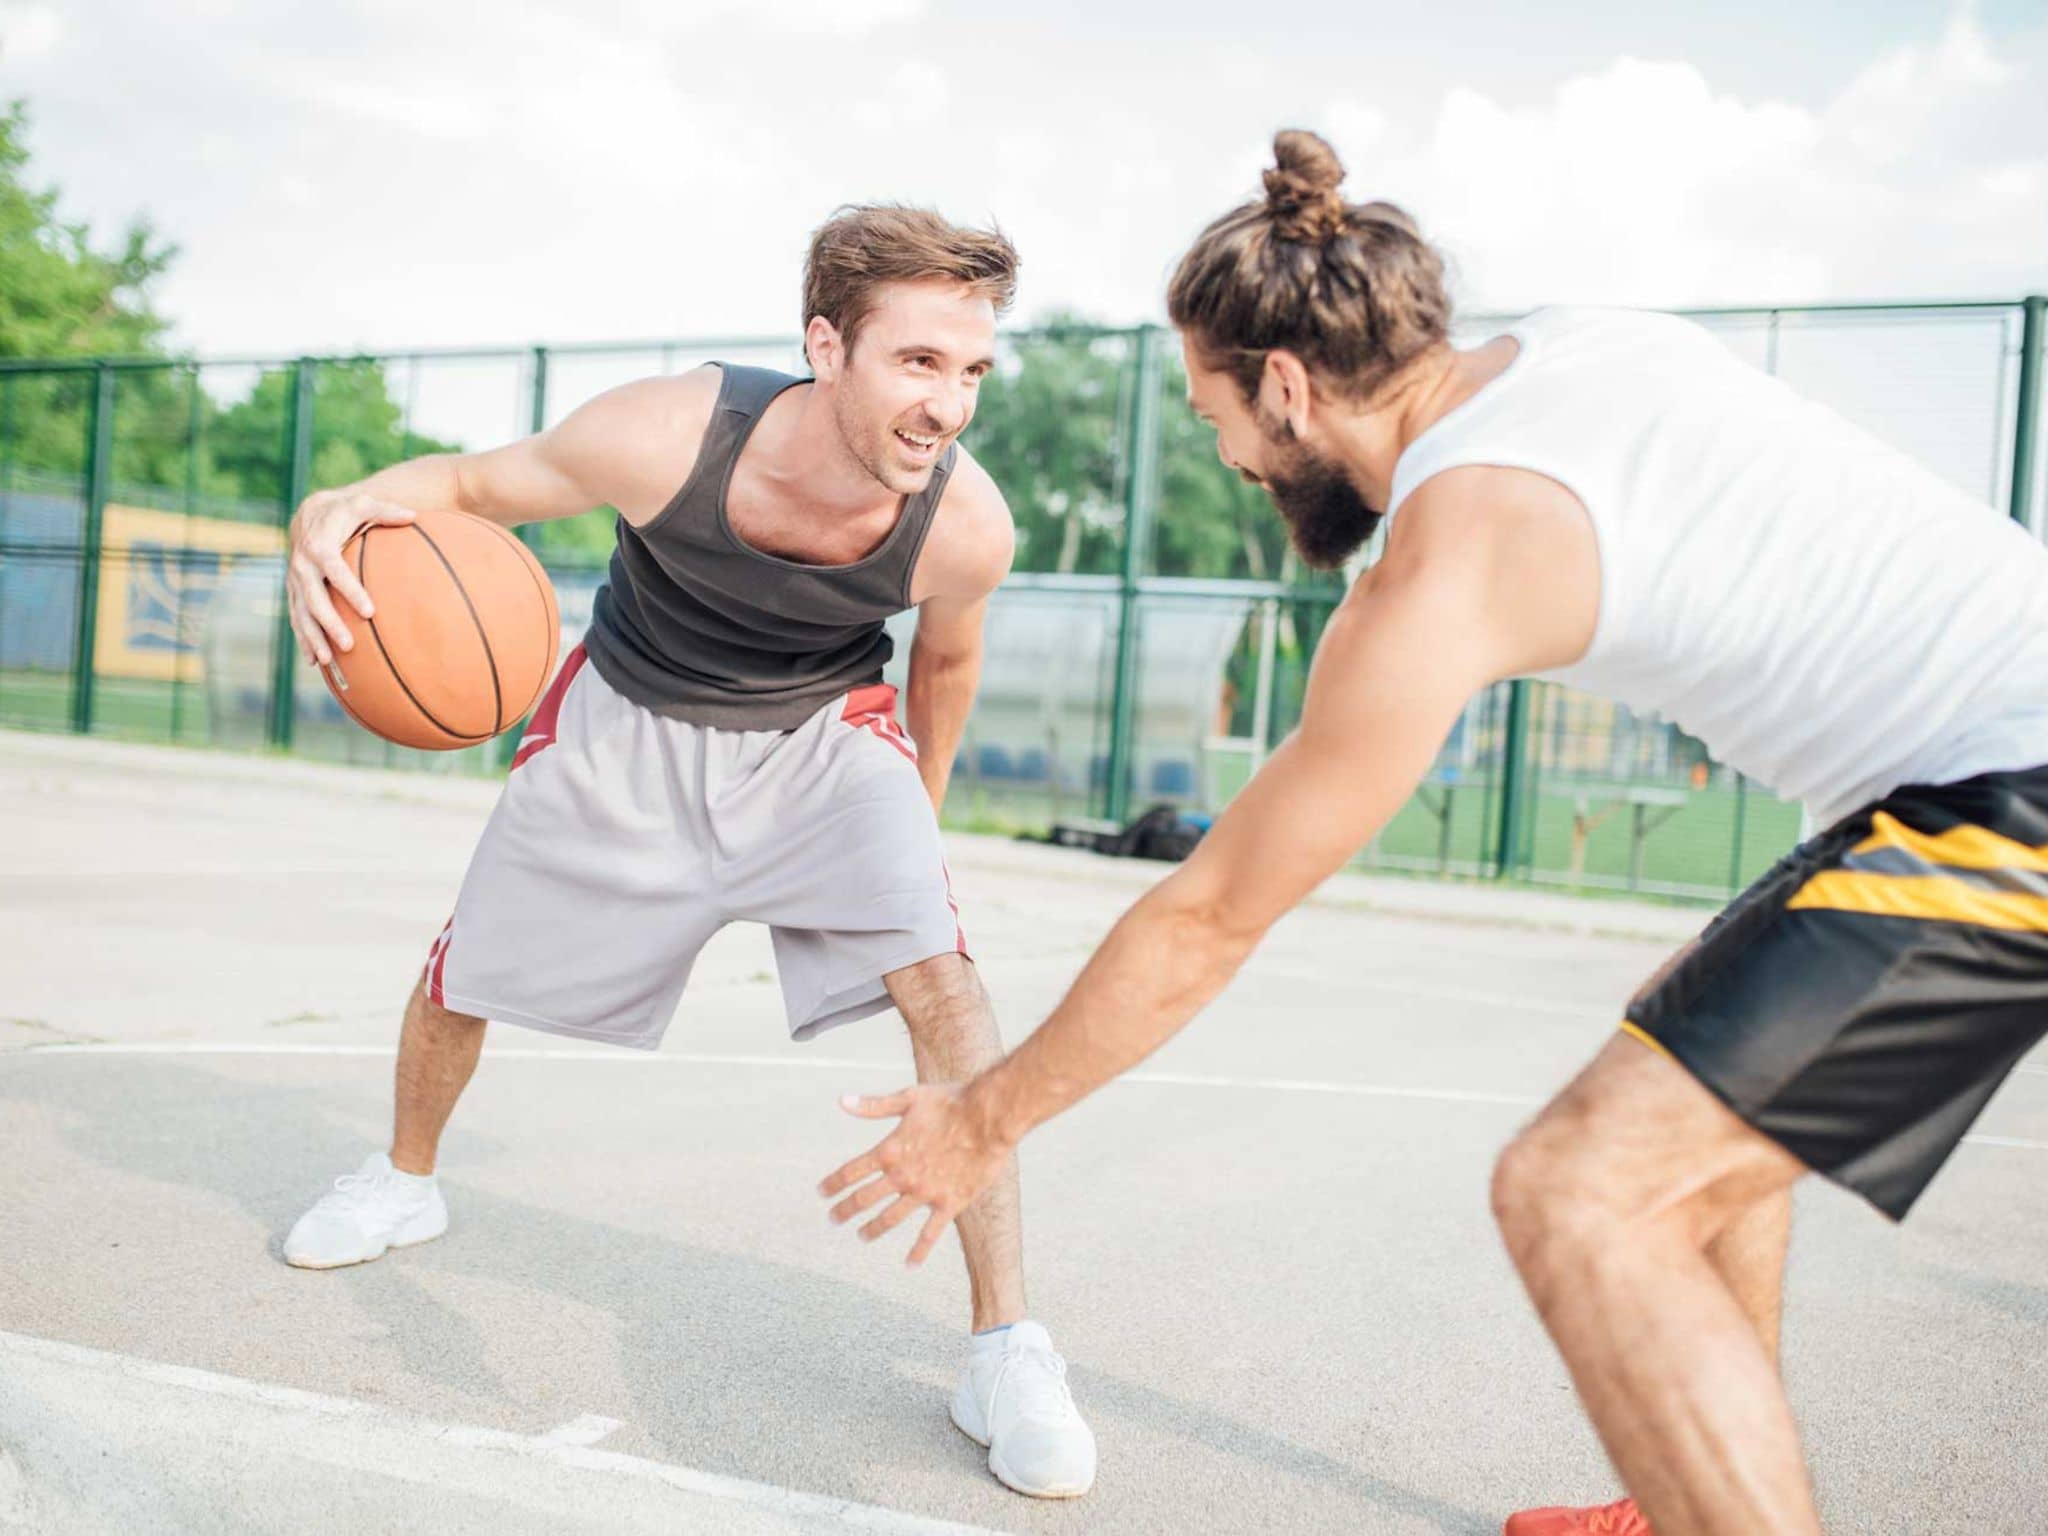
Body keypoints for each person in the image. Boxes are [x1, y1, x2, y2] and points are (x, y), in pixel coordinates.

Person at [818, 132, 2048, 1536]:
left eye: (1213, 413)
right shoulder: (1576, 348)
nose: (1222, 453)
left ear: (1284, 386)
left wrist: (982, 1120)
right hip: (1962, 772)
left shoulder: (1452, 554)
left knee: (1581, 1191)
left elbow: (1208, 914)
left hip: (2017, 790)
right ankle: (1678, 1497)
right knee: (1684, 1047)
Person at [279, 204, 1096, 1500]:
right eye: (918, 362)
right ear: (826, 346)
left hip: (826, 737)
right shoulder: (662, 434)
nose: (949, 403)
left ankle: (1008, 1345)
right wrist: (333, 507)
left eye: (973, 369)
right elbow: (464, 486)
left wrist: (911, 853)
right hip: (629, 715)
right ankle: (403, 1179)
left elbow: (946, 663)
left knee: (951, 988)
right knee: (461, 971)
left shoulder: (966, 524)